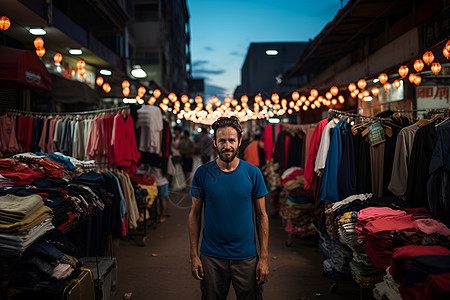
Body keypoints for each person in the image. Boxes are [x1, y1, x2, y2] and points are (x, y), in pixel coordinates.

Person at [188, 116, 269, 300]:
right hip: (211, 257)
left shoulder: (253, 173)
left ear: (239, 141)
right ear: (214, 142)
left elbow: (262, 216)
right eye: (222, 141)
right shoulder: (202, 173)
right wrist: (194, 256)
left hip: (246, 257)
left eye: (232, 140)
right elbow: (194, 216)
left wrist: (263, 258)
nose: (227, 146)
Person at [170, 126, 185, 191]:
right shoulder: (173, 138)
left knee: (178, 170)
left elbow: (182, 147)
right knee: (174, 170)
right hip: (173, 155)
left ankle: (179, 184)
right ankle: (174, 183)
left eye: (176, 130)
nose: (175, 132)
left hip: (178, 155)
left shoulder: (182, 139)